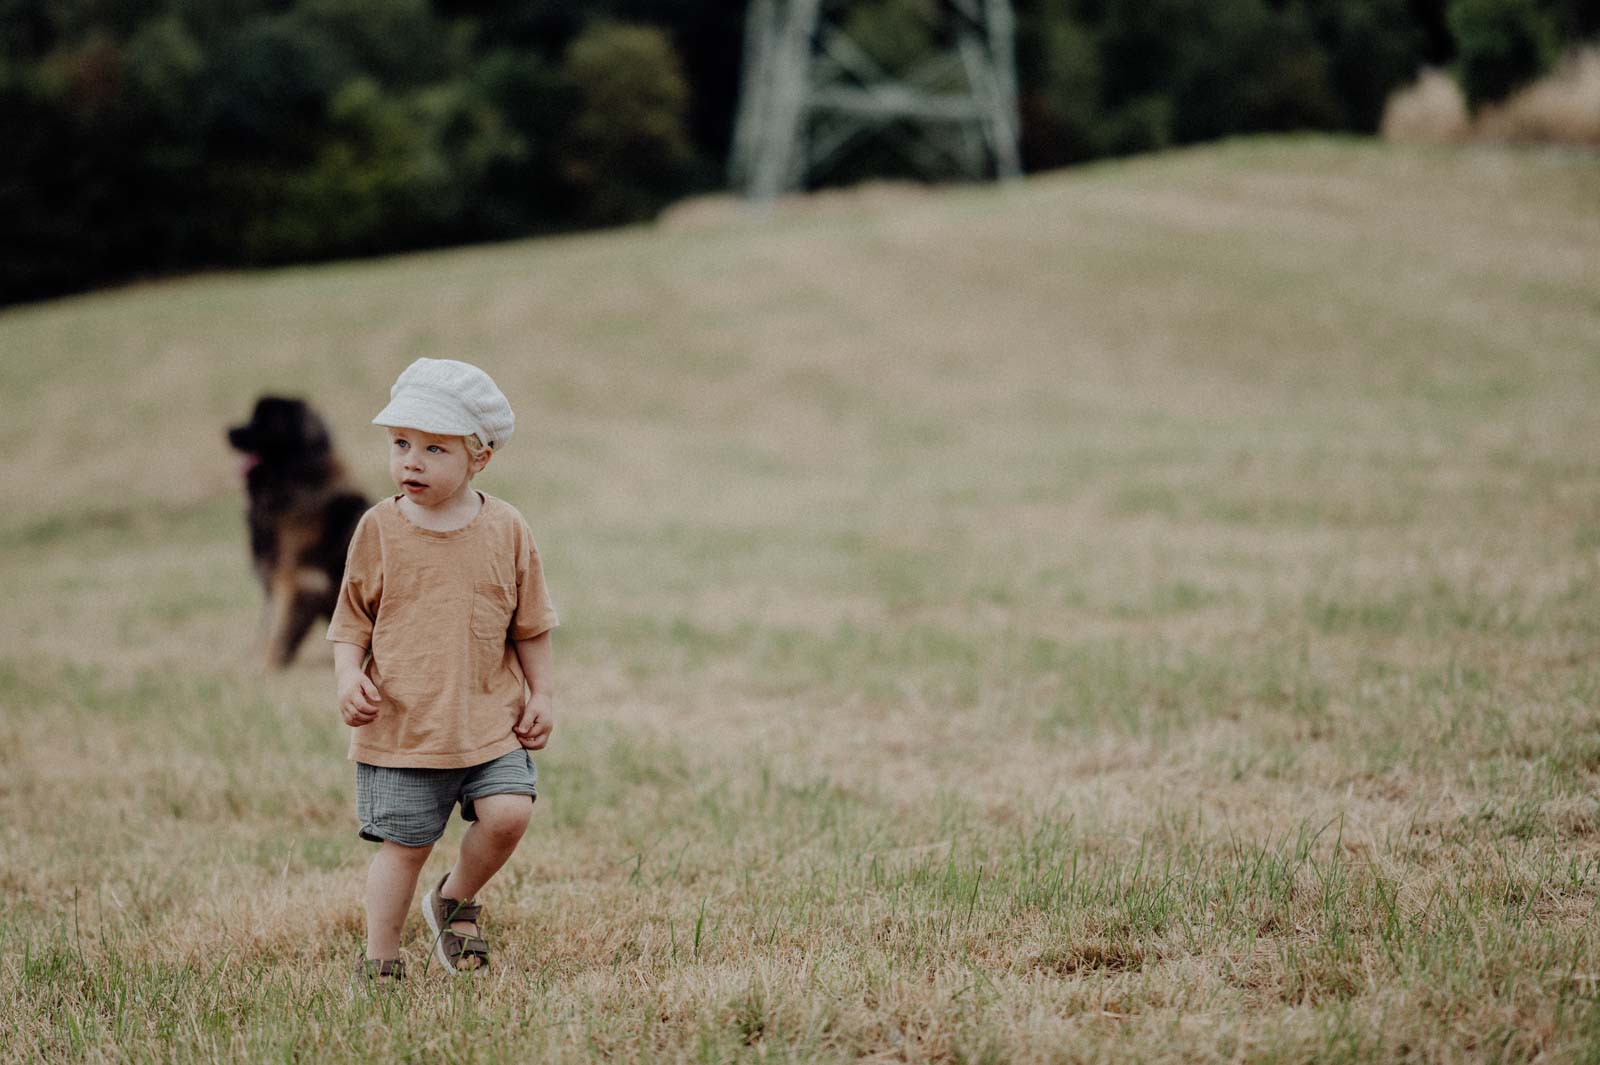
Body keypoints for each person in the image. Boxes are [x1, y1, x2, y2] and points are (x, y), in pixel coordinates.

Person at [327, 357, 558, 981]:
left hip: (489, 715)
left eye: (434, 448)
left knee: (510, 813)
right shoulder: (379, 528)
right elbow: (351, 621)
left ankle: (455, 899)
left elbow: (530, 623)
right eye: (401, 444)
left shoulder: (507, 528)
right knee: (407, 847)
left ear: (479, 457)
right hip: (404, 728)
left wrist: (543, 693)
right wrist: (350, 677)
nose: (411, 461)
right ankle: (381, 959)